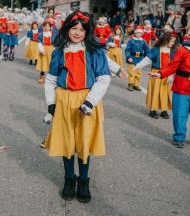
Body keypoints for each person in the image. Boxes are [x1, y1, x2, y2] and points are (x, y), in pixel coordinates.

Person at [43, 10, 111, 203]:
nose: (77, 32)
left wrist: (90, 101)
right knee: (66, 143)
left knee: (83, 143)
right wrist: (51, 105)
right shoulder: (59, 51)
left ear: (87, 31)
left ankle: (83, 181)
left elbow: (104, 78)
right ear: (67, 29)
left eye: (82, 29)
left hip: (86, 101)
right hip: (64, 100)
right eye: (74, 28)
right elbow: (51, 80)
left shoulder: (95, 51)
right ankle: (69, 179)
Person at [149, 24, 190, 150]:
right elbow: (172, 66)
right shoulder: (182, 50)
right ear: (189, 35)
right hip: (181, 88)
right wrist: (160, 73)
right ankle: (179, 137)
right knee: (180, 114)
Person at [135, 32, 176, 119]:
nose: (173, 44)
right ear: (166, 41)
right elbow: (147, 59)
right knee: (155, 92)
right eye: (171, 41)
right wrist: (138, 66)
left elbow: (174, 64)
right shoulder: (157, 49)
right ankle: (153, 110)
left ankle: (164, 110)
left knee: (165, 93)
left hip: (166, 74)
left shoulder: (173, 51)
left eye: (173, 42)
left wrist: (171, 75)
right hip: (156, 72)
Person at [125, 25, 149, 91]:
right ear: (135, 33)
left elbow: (146, 49)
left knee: (138, 72)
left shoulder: (143, 41)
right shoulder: (131, 41)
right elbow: (127, 50)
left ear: (142, 34)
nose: (139, 34)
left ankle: (136, 85)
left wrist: (148, 56)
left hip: (140, 59)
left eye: (140, 33)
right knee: (131, 72)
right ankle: (130, 84)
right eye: (138, 33)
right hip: (132, 58)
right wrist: (129, 57)